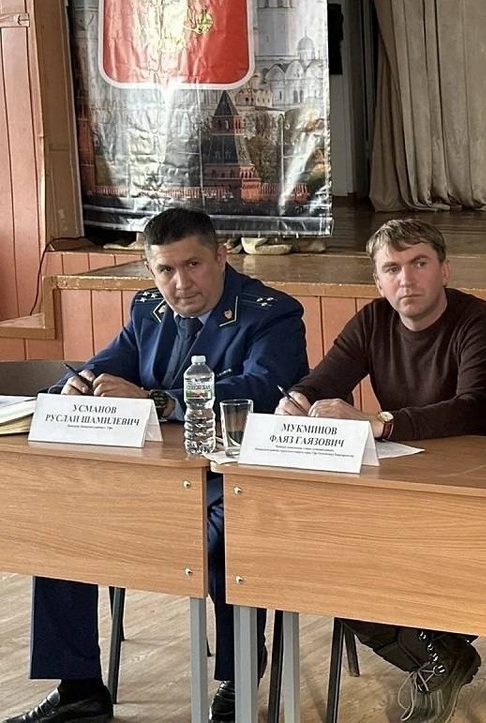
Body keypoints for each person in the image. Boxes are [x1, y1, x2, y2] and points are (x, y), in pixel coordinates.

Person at [6, 207, 307, 723]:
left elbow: (261, 391)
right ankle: (79, 689)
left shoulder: (271, 313)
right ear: (150, 270)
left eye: (193, 265)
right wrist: (76, 385)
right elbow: (108, 363)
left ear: (221, 257)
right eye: (165, 270)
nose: (180, 283)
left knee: (224, 541)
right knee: (62, 527)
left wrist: (159, 401)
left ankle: (238, 677)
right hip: (154, 478)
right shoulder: (148, 308)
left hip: (232, 479)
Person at [276, 218, 486, 723]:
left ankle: (438, 651)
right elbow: (325, 379)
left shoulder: (478, 320)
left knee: (384, 557)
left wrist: (380, 424)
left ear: (444, 270)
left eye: (419, 263)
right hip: (399, 481)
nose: (406, 279)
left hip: (474, 488)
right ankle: (437, 654)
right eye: (392, 268)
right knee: (322, 552)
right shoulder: (373, 320)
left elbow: (474, 409)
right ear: (378, 281)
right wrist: (296, 400)